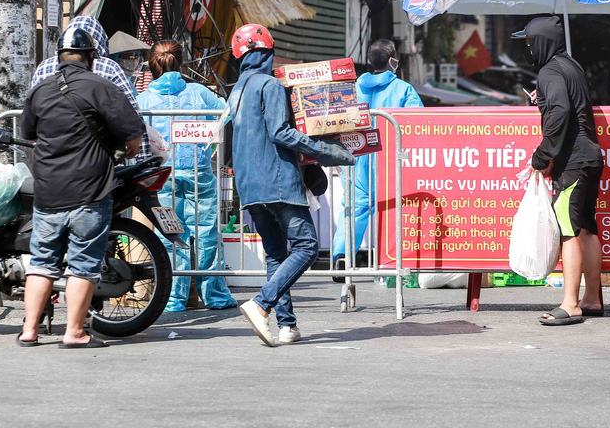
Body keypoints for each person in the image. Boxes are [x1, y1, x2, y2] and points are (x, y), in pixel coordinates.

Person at [17, 27, 146, 348]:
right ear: (91, 58)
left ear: (59, 57)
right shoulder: (102, 87)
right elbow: (133, 135)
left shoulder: (40, 90)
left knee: (42, 262)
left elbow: (29, 133)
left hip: (47, 192)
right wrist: (126, 148)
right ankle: (73, 332)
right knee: (84, 264)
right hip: (90, 192)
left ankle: (29, 331)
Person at [228, 24, 355, 346]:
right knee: (306, 246)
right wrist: (329, 152)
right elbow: (280, 133)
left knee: (275, 255)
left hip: (250, 186)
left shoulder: (236, 90)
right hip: (277, 179)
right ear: (268, 53)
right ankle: (261, 304)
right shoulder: (269, 86)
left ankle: (288, 326)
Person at [513, 15, 604, 326]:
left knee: (567, 230)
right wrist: (545, 101)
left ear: (540, 42)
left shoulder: (548, 71)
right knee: (586, 230)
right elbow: (567, 103)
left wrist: (541, 156)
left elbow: (562, 112)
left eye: (528, 42)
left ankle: (571, 303)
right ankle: (592, 298)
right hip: (591, 156)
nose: (527, 47)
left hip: (573, 161)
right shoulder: (570, 66)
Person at [136, 40, 237, 312]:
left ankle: (172, 298)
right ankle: (214, 295)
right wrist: (207, 141)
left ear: (151, 66)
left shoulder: (143, 99)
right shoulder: (198, 92)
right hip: (198, 170)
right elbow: (225, 113)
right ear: (179, 62)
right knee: (206, 234)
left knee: (169, 236)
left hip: (161, 176)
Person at [331, 39, 423, 281]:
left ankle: (341, 257)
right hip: (390, 159)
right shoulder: (403, 90)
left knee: (353, 208)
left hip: (356, 157)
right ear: (392, 60)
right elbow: (420, 124)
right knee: (393, 210)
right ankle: (391, 265)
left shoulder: (352, 88)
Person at [32, 16, 150, 160]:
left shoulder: (43, 68)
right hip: (98, 160)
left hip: (52, 162)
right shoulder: (109, 67)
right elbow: (132, 115)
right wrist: (143, 159)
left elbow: (31, 121)